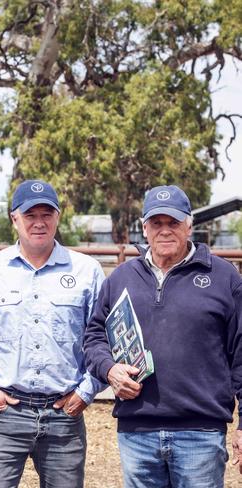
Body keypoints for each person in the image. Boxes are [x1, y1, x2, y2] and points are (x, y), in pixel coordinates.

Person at [83, 185, 242, 487]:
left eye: (174, 222)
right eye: (157, 223)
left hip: (201, 433)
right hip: (137, 433)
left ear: (189, 225)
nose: (165, 231)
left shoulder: (223, 277)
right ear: (144, 228)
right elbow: (93, 337)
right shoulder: (121, 278)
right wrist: (109, 369)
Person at [0, 180, 105, 488]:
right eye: (30, 215)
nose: (39, 222)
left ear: (58, 216)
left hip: (64, 415)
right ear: (14, 218)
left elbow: (101, 340)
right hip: (4, 415)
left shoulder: (86, 271)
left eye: (46, 214)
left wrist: (86, 392)